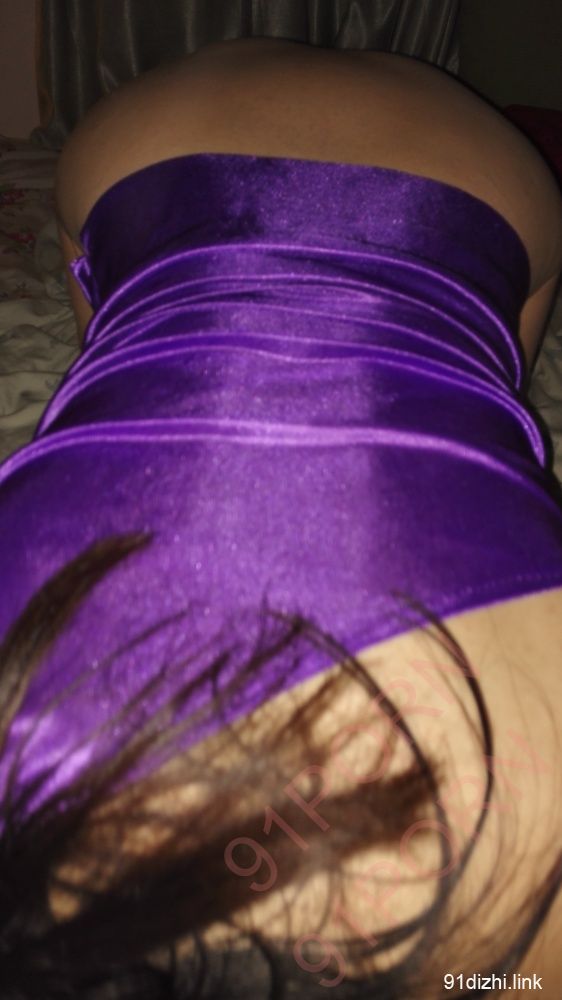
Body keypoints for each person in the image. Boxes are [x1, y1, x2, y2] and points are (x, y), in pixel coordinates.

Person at [0, 36, 561, 998]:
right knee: (125, 316)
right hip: (160, 133)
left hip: (475, 167)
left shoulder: (521, 915)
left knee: (483, 357)